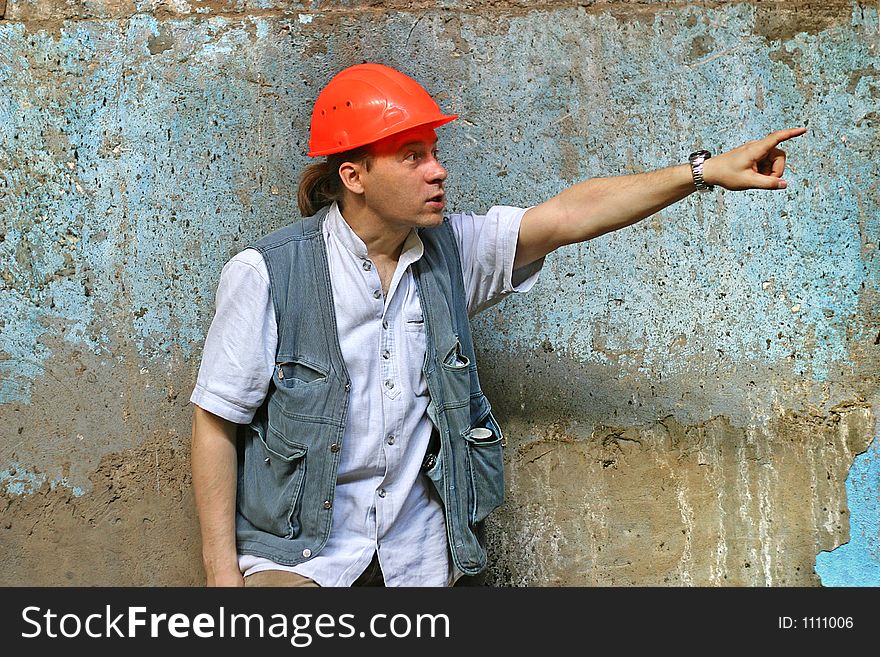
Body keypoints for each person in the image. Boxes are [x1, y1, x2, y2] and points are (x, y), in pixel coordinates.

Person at [190, 62, 806, 587]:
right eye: (412, 157)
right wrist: (225, 586)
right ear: (353, 177)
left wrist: (700, 174)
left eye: (435, 153)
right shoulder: (267, 272)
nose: (438, 171)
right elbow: (216, 424)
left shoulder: (453, 252)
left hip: (421, 557)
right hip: (301, 560)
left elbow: (569, 215)